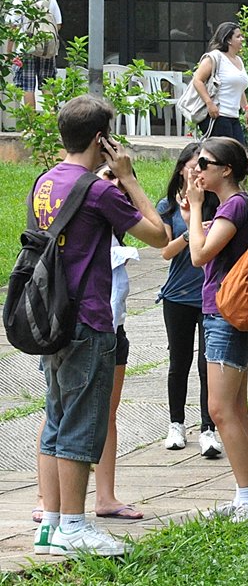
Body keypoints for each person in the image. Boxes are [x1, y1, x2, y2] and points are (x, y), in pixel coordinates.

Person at [32, 95, 167, 556]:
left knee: (56, 418)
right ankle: (74, 526)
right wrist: (128, 178)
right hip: (88, 317)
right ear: (100, 139)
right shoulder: (100, 190)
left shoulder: (44, 182)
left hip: (51, 317)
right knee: (81, 424)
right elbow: (159, 235)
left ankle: (51, 527)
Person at [185, 137, 248, 523]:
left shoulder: (233, 206)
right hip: (228, 314)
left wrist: (194, 208)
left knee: (219, 409)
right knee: (236, 408)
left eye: (205, 163)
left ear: (226, 169)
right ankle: (245, 497)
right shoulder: (234, 206)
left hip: (225, 315)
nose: (197, 169)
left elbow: (199, 255)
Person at [157, 142, 222, 457]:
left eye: (203, 166)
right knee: (178, 362)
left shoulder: (216, 204)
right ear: (182, 168)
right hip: (177, 296)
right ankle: (176, 425)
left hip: (211, 295)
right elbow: (165, 251)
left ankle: (209, 429)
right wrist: (190, 234)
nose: (198, 171)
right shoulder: (168, 206)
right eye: (194, 165)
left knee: (207, 364)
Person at [93, 164, 144, 522]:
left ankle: (105, 497)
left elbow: (157, 232)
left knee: (107, 414)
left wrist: (129, 183)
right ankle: (45, 497)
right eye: (108, 175)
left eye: (121, 179)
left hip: (114, 332)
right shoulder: (80, 223)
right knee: (58, 411)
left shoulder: (117, 229)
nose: (116, 184)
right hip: (82, 330)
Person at [190, 22, 248, 145]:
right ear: (228, 40)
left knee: (239, 151)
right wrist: (209, 103)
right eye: (238, 36)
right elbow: (197, 80)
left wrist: (246, 108)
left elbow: (239, 87)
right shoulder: (215, 57)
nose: (242, 39)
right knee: (224, 152)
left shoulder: (238, 60)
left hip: (233, 116)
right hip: (218, 115)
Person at [5, 0, 62, 110]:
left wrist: (9, 51)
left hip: (26, 48)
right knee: (47, 85)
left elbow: (13, 28)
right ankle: (51, 119)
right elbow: (58, 24)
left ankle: (31, 121)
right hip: (46, 49)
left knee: (27, 87)